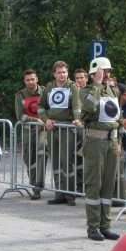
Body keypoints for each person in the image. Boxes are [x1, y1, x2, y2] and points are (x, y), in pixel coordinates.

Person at [80, 57, 121, 241]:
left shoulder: (112, 90)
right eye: (104, 71)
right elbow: (90, 106)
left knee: (108, 185)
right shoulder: (87, 91)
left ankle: (105, 225)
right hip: (95, 143)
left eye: (108, 71)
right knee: (94, 184)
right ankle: (93, 227)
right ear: (94, 73)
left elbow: (117, 118)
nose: (107, 74)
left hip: (111, 142)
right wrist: (96, 85)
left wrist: (118, 140)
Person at [38, 60, 82, 206]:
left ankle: (70, 194)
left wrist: (76, 119)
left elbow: (76, 106)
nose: (62, 75)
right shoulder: (49, 87)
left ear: (67, 73)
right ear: (54, 74)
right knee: (55, 161)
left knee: (66, 161)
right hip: (52, 128)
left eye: (64, 72)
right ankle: (59, 194)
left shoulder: (73, 87)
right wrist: (46, 120)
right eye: (59, 72)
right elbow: (41, 107)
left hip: (67, 128)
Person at [15, 69, 46, 200]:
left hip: (43, 131)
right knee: (29, 160)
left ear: (37, 79)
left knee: (41, 155)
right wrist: (34, 120)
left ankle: (37, 188)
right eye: (28, 80)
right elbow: (19, 116)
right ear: (24, 81)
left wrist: (44, 121)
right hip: (28, 132)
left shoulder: (45, 91)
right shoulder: (20, 95)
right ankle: (34, 184)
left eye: (33, 79)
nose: (30, 82)